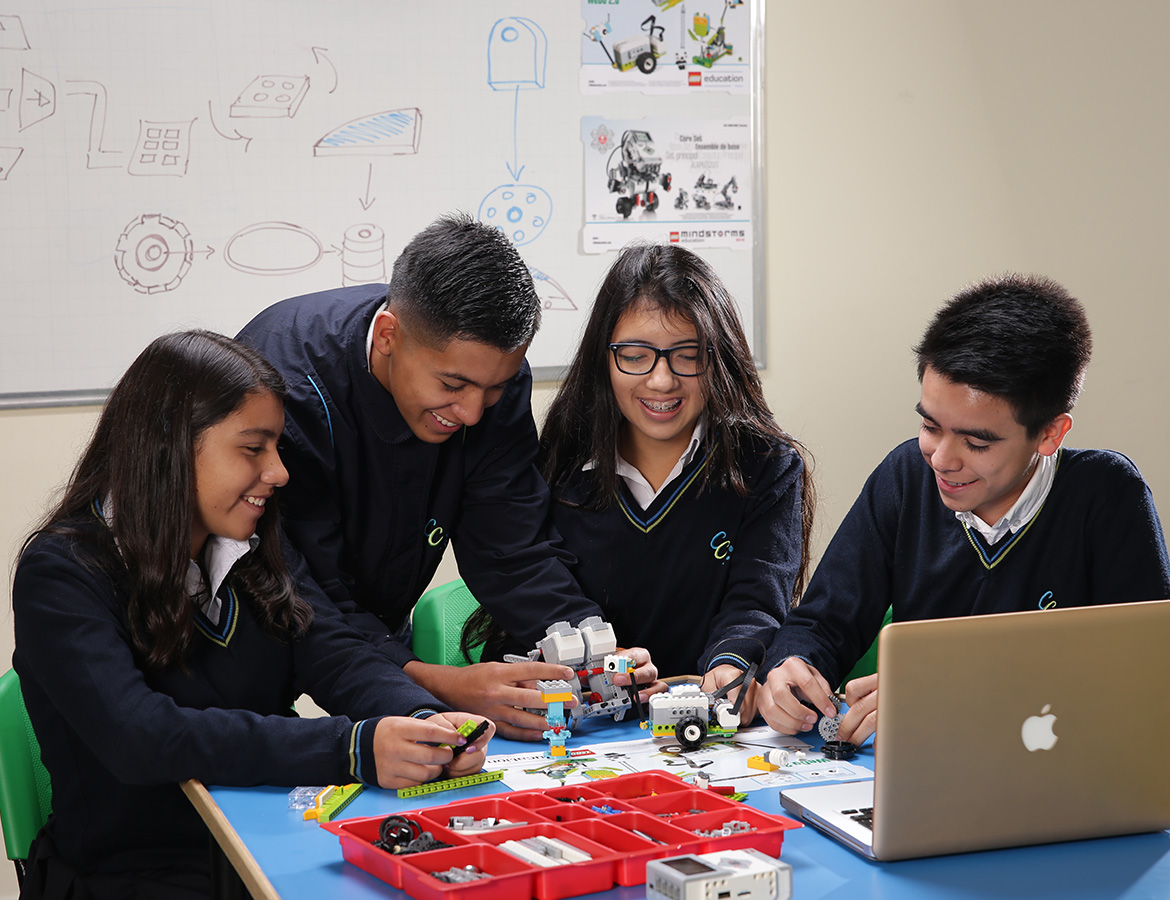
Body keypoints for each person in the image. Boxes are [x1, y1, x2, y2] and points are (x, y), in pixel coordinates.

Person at [11, 331, 494, 899]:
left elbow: (332, 652)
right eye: (253, 448)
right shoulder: (62, 572)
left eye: (277, 447)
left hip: (266, 845)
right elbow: (139, 735)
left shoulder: (249, 540)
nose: (279, 471)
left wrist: (425, 721)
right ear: (168, 446)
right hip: (135, 877)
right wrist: (353, 748)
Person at [236, 213, 660, 740]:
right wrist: (437, 683)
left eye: (496, 388)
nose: (474, 414)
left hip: (373, 631)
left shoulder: (485, 374)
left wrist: (590, 646)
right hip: (257, 633)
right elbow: (301, 589)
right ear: (389, 336)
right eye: (453, 385)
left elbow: (513, 548)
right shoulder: (280, 387)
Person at [757, 274, 1170, 745]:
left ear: (1051, 434)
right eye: (930, 426)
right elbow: (824, 621)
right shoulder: (906, 477)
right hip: (925, 774)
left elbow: (1147, 678)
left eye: (977, 442)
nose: (942, 458)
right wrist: (792, 668)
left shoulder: (1107, 496)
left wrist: (946, 693)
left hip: (1065, 769)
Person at [465, 243, 814, 723]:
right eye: (634, 355)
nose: (661, 380)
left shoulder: (766, 467)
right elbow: (528, 588)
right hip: (580, 722)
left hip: (704, 719)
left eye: (688, 356)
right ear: (603, 358)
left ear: (721, 357)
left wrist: (730, 663)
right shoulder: (560, 461)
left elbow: (756, 600)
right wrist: (590, 664)